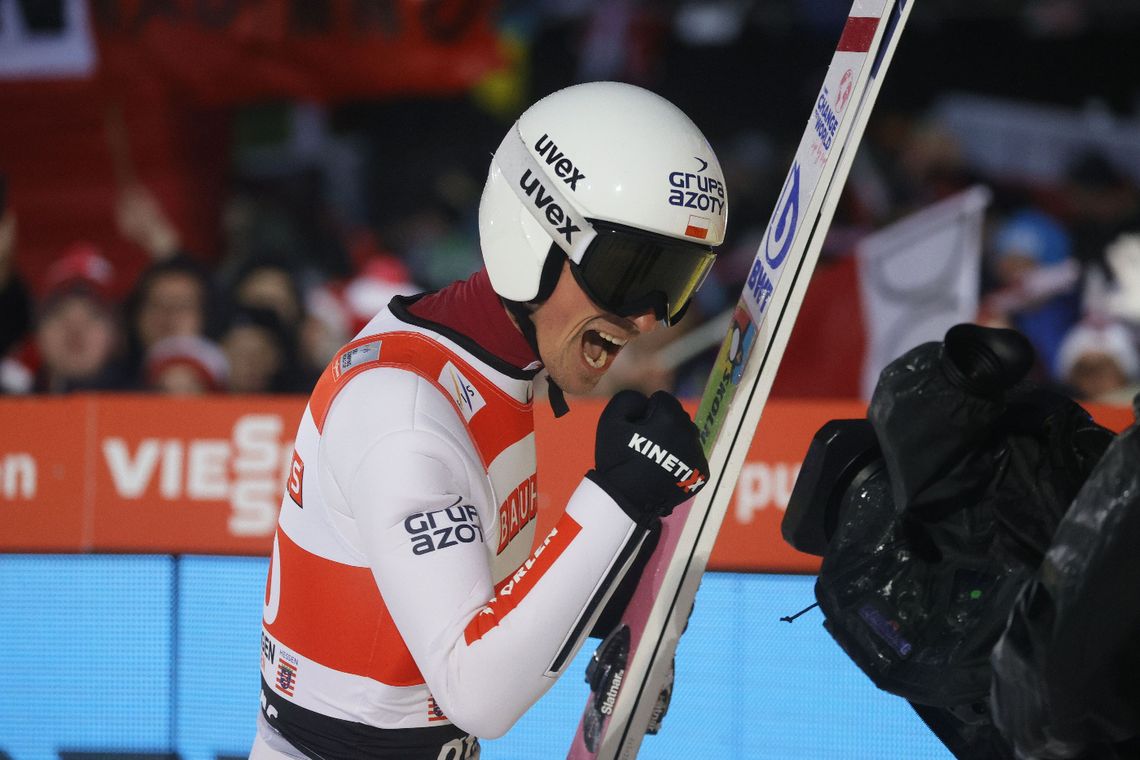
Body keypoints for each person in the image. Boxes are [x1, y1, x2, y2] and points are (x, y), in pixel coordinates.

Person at [251, 81, 726, 759]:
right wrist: (619, 502)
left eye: (677, 281)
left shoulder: (479, 369)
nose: (648, 316)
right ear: (534, 234)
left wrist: (617, 596)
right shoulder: (403, 413)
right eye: (628, 272)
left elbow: (462, 597)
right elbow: (477, 690)